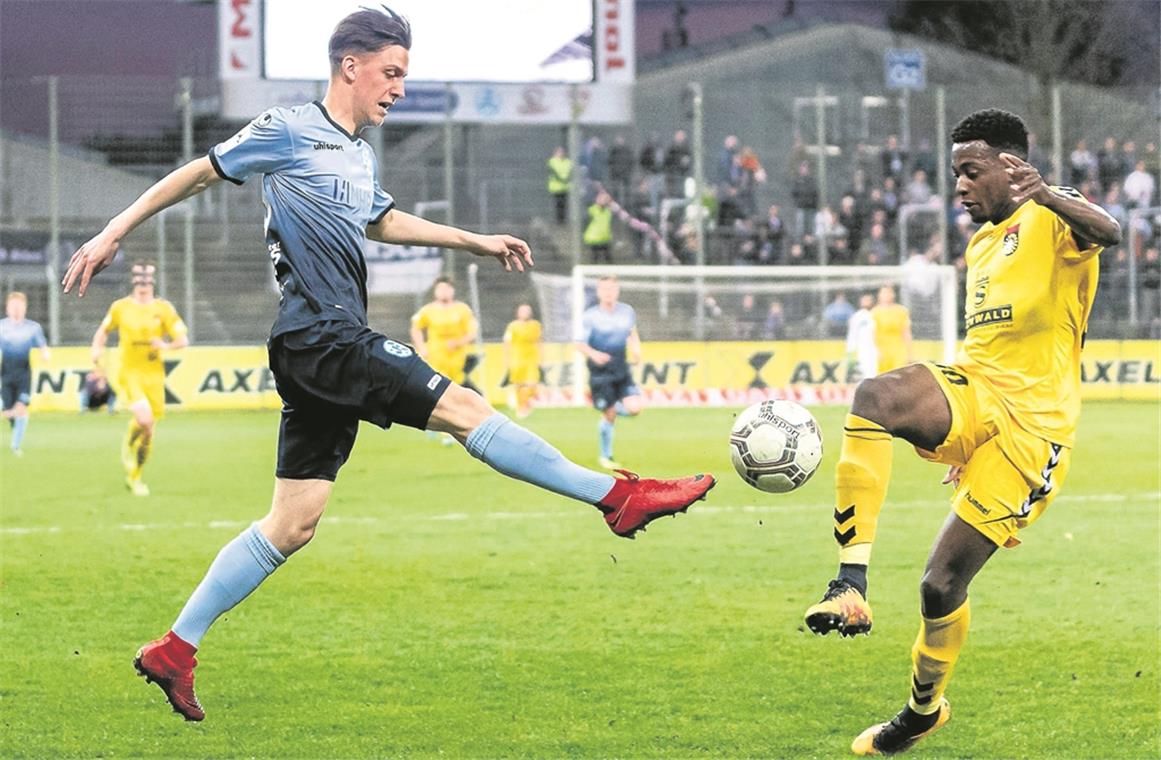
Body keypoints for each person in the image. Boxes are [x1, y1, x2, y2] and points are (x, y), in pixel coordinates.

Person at [62, 8, 714, 722]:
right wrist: (109, 233)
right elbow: (194, 175)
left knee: (292, 523)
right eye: (392, 73)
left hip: (325, 341)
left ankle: (174, 649)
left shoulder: (356, 153)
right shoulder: (286, 129)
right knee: (464, 409)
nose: (399, 89)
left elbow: (381, 219)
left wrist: (473, 241)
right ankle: (616, 499)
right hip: (321, 335)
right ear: (351, 66)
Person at [803, 108, 1120, 755]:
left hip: (1033, 431)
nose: (958, 187)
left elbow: (1108, 230)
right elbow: (983, 346)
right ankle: (848, 586)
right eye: (954, 174)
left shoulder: (1056, 219)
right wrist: (957, 430)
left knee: (939, 584)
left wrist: (1049, 195)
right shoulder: (977, 246)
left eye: (969, 173)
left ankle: (921, 711)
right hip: (976, 395)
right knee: (875, 397)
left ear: (1010, 168)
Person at [91, 262, 189, 495]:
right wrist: (96, 348)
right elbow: (103, 331)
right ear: (133, 280)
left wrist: (164, 345)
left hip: (153, 374)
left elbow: (182, 341)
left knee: (149, 431)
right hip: (128, 371)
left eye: (147, 278)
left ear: (152, 281)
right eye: (139, 277)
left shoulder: (164, 309)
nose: (143, 283)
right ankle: (128, 440)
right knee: (144, 419)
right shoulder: (120, 307)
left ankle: (135, 477)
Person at [575, 276, 643, 470]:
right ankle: (606, 455)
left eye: (612, 288)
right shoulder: (590, 316)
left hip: (621, 367)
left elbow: (632, 333)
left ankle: (606, 407)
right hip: (600, 372)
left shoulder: (627, 311)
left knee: (635, 408)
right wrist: (594, 355)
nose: (608, 292)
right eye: (604, 289)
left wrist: (636, 349)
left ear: (617, 291)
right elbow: (579, 344)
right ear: (598, 292)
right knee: (610, 413)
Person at [0, 292, 50, 456]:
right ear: (7, 308)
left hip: (24, 373)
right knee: (9, 412)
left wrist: (45, 354)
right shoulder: (2, 327)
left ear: (24, 308)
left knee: (21, 408)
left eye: (19, 305)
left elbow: (42, 345)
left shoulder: (32, 328)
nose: (16, 309)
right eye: (13, 305)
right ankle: (14, 418)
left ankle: (15, 446)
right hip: (6, 373)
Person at [410, 277, 476, 388]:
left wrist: (458, 342)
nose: (443, 291)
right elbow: (415, 328)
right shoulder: (427, 310)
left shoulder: (463, 309)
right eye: (440, 288)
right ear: (435, 291)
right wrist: (421, 347)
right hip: (435, 357)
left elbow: (472, 333)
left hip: (457, 359)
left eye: (447, 288)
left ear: (452, 290)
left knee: (457, 388)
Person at [502, 303, 542, 418]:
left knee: (532, 384)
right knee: (518, 385)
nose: (525, 313)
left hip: (531, 359)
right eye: (523, 311)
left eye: (527, 310)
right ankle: (521, 408)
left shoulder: (536, 325)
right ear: (518, 313)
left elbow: (539, 342)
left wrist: (541, 358)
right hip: (517, 358)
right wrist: (507, 359)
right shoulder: (512, 326)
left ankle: (526, 403)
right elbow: (507, 343)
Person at [870, 284, 912, 374]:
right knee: (883, 379)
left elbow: (906, 332)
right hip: (882, 350)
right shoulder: (874, 312)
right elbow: (872, 334)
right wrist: (875, 350)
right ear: (879, 295)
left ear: (893, 294)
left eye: (889, 292)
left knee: (899, 376)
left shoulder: (902, 311)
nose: (887, 295)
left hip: (899, 349)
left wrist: (909, 353)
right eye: (884, 293)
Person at [845, 293, 877, 382]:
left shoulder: (877, 314)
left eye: (868, 300)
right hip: (863, 351)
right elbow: (852, 335)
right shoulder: (857, 317)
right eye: (864, 300)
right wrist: (850, 352)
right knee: (865, 376)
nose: (866, 302)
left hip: (878, 350)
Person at [583, 191, 614, 263]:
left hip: (605, 238)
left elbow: (614, 208)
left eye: (605, 199)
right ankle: (594, 272)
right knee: (595, 257)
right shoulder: (592, 209)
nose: (603, 201)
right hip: (595, 238)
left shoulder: (608, 211)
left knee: (608, 258)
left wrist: (609, 200)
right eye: (601, 199)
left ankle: (610, 273)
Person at [546, 146, 572, 224]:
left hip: (565, 187)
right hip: (556, 187)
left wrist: (564, 178)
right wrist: (562, 178)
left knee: (564, 205)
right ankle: (558, 220)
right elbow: (554, 172)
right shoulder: (552, 161)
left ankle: (563, 220)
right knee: (558, 204)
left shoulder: (567, 162)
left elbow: (569, 171)